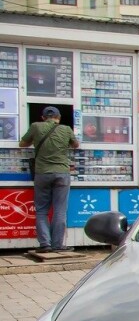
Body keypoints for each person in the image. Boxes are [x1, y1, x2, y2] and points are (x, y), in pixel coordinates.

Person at [21, 106, 79, 253]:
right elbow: (76, 145)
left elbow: (22, 143)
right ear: (58, 118)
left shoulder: (35, 126)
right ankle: (58, 245)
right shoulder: (66, 129)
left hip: (42, 174)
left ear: (43, 117)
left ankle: (45, 244)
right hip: (62, 173)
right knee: (60, 210)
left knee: (41, 211)